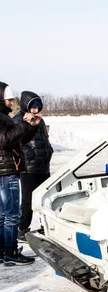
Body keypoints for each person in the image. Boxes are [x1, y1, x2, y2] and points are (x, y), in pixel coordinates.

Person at [0, 81, 37, 265]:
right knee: (12, 214)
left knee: (2, 214)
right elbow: (5, 141)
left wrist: (31, 126)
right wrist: (23, 124)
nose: (11, 103)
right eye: (8, 100)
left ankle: (2, 251)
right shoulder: (1, 118)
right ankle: (11, 252)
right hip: (6, 170)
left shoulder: (5, 117)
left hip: (5, 170)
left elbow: (18, 139)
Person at [12, 91, 53, 241]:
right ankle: (23, 229)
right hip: (29, 167)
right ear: (25, 105)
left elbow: (44, 138)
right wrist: (29, 155)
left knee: (46, 197)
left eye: (38, 106)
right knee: (28, 199)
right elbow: (16, 141)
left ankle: (46, 226)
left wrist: (49, 150)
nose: (36, 109)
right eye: (33, 106)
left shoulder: (39, 120)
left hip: (43, 164)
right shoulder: (18, 120)